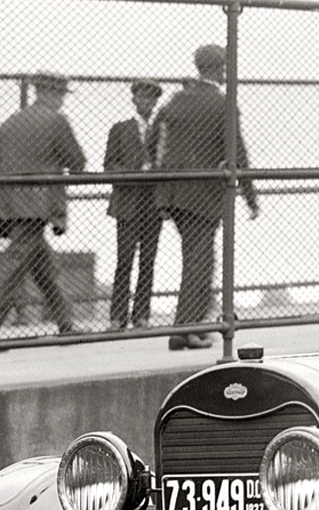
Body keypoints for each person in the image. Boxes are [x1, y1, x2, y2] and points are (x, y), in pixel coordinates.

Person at [153, 44, 258, 350]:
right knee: (199, 262)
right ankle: (185, 329)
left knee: (195, 258)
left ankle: (192, 327)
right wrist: (250, 196)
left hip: (174, 193)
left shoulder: (175, 101)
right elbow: (237, 151)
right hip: (206, 195)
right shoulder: (222, 104)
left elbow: (153, 142)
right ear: (220, 69)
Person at [0, 72, 85, 342]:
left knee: (45, 267)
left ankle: (66, 324)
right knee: (13, 268)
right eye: (60, 95)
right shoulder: (56, 121)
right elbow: (77, 162)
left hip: (7, 206)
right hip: (36, 205)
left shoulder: (11, 122)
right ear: (52, 93)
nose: (61, 101)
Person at [104, 79, 164, 329]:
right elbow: (109, 166)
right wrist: (135, 172)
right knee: (124, 261)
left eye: (151, 98)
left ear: (155, 102)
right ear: (134, 99)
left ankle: (141, 315)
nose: (146, 102)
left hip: (153, 204)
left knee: (148, 261)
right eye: (142, 97)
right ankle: (118, 316)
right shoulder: (120, 129)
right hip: (128, 203)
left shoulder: (162, 131)